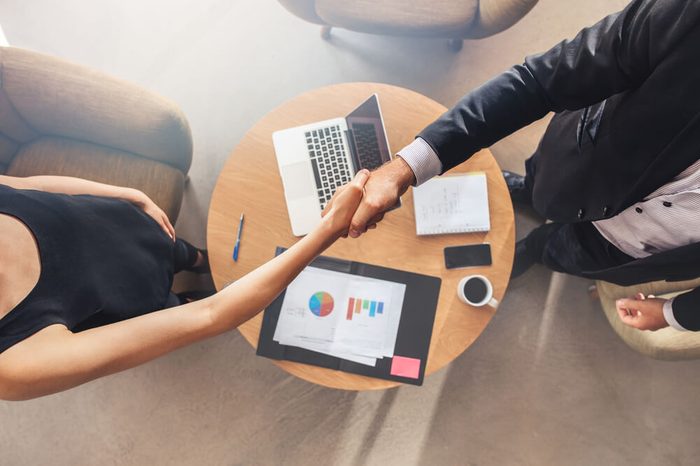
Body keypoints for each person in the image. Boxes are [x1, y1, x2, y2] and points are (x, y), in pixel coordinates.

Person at [327, 0, 700, 333]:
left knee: (558, 251)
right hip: (583, 162)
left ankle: (535, 250)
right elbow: (540, 81)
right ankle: (530, 191)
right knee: (542, 186)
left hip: (633, 250)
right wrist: (404, 167)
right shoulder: (689, 17)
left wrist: (672, 314)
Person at [0, 170, 369, 401]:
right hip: (138, 302)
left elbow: (30, 185)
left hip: (132, 230)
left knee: (180, 252)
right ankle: (185, 291)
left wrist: (126, 194)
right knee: (182, 305)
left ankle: (197, 260)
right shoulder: (13, 364)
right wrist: (328, 230)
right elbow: (210, 314)